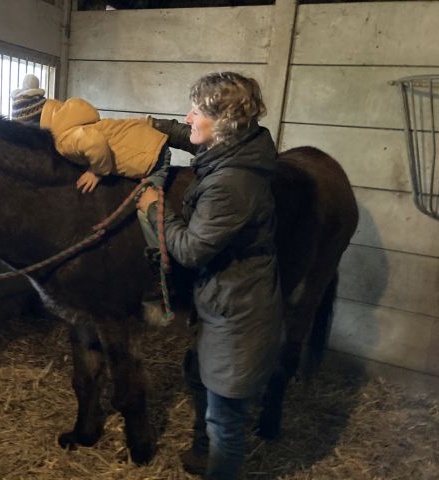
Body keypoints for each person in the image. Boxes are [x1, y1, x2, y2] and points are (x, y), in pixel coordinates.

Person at [136, 72, 283, 479]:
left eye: (196, 111)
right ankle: (204, 455)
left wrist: (154, 206)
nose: (188, 117)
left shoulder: (231, 185)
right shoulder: (240, 149)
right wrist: (153, 127)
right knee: (201, 380)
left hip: (239, 314)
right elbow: (195, 140)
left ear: (224, 122)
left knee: (226, 425)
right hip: (227, 301)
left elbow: (189, 249)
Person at [11, 74, 171, 195]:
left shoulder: (63, 139)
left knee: (148, 209)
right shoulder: (66, 120)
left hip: (151, 156)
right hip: (145, 139)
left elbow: (95, 142)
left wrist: (96, 172)